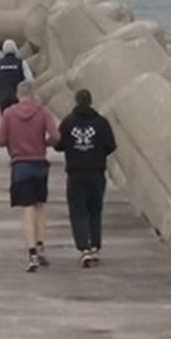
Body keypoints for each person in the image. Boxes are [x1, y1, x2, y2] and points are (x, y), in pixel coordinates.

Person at [0, 81, 60, 272]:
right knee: (40, 205)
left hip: (20, 164)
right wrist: (44, 143)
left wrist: (14, 142)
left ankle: (31, 252)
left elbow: (0, 140)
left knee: (27, 209)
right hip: (40, 163)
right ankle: (40, 245)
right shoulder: (43, 112)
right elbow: (56, 136)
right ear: (33, 95)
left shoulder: (8, 114)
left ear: (18, 95)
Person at [56, 89, 117, 268]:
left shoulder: (68, 123)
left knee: (78, 211)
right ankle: (95, 246)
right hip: (97, 173)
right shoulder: (101, 123)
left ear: (76, 101)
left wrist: (73, 150)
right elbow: (111, 146)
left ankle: (84, 248)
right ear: (91, 101)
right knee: (95, 211)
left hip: (76, 174)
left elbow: (59, 146)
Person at [0, 39, 34, 113]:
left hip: (3, 99)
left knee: (6, 120)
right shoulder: (21, 63)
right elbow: (30, 80)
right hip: (18, 99)